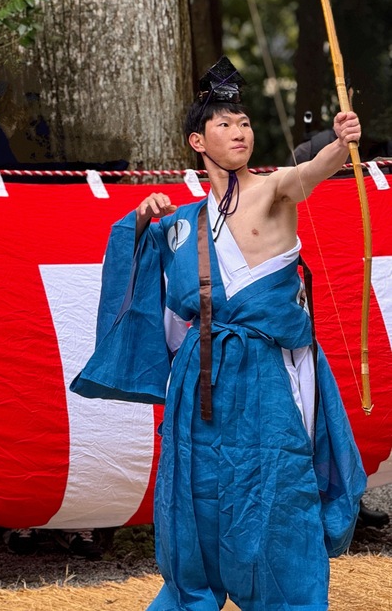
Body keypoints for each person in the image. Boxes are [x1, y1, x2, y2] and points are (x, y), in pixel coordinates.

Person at [70, 56, 366, 610]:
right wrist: (140, 219)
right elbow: (138, 275)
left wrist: (337, 141)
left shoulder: (275, 190)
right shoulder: (181, 221)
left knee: (275, 489)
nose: (240, 131)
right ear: (197, 141)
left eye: (246, 121)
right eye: (225, 123)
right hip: (200, 381)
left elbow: (310, 174)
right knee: (196, 489)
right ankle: (191, 596)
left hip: (267, 374)